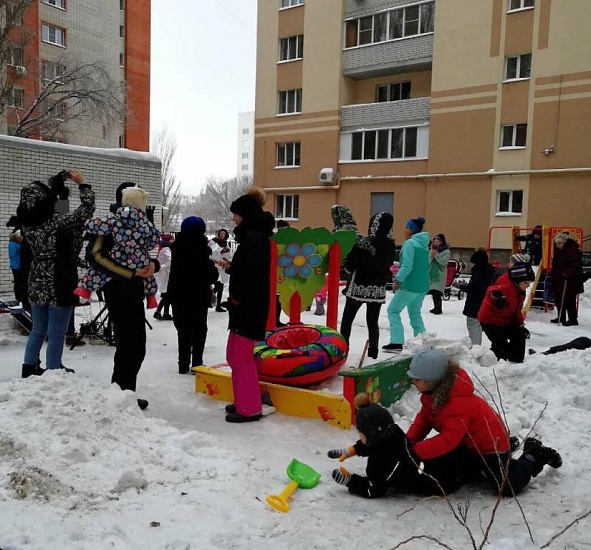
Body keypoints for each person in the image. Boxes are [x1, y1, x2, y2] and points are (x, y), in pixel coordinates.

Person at [405, 347, 562, 496]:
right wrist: (406, 442)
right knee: (459, 471)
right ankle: (498, 459)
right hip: (468, 445)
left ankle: (534, 454)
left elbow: (449, 439)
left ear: (432, 381)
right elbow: (423, 420)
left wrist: (414, 451)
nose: (413, 382)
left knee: (505, 486)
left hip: (491, 446)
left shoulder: (457, 403)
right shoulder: (432, 395)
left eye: (417, 380)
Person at [85, 182, 158, 410]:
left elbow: (145, 252)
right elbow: (94, 256)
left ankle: (125, 393)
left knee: (136, 345)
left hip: (134, 288)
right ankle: (121, 395)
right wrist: (130, 272)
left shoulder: (139, 224)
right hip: (116, 288)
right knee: (129, 345)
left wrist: (152, 265)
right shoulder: (109, 224)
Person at [16, 169, 95, 378]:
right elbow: (86, 209)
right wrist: (82, 185)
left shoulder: (27, 224)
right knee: (57, 332)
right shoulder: (57, 223)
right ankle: (53, 370)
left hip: (37, 278)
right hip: (59, 279)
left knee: (38, 329)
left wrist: (59, 189)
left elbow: (55, 212)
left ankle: (29, 367)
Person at [327, 393, 464, 498]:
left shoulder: (383, 464)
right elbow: (374, 444)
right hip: (436, 463)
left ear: (371, 435)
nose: (359, 434)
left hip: (439, 482)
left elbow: (374, 489)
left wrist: (350, 481)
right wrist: (350, 451)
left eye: (360, 432)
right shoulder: (392, 432)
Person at [222, 187, 275, 423]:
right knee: (233, 356)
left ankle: (251, 408)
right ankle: (243, 400)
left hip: (248, 308)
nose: (233, 218)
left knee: (241, 358)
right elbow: (249, 270)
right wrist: (233, 268)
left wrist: (238, 299)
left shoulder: (254, 238)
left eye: (235, 214)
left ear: (245, 214)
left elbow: (254, 277)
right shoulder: (251, 237)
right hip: (242, 306)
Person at [75, 186, 161, 309]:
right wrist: (148, 261)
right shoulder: (146, 222)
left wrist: (86, 224)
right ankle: (151, 297)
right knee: (148, 277)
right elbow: (154, 239)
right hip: (137, 266)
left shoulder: (113, 220)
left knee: (95, 273)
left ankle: (86, 290)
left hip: (118, 266)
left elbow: (93, 227)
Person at [339, 212, 397, 360]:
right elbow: (388, 265)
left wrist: (345, 267)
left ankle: (343, 348)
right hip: (377, 288)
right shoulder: (391, 245)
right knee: (372, 321)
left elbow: (350, 265)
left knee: (347, 319)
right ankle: (373, 351)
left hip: (359, 286)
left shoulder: (363, 243)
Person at [167, 217, 218, 374]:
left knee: (183, 329)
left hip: (178, 294)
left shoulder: (176, 248)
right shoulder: (203, 250)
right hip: (199, 295)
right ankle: (197, 363)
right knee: (199, 328)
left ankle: (183, 364)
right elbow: (211, 275)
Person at [382, 216, 429, 353]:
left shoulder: (410, 244)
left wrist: (398, 280)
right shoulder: (424, 245)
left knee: (393, 310)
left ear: (413, 230)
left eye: (407, 227)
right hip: (422, 285)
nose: (405, 230)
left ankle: (396, 341)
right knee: (415, 313)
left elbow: (407, 265)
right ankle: (422, 340)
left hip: (409, 285)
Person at [477, 262, 535, 363]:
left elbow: (516, 310)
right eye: (526, 282)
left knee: (519, 335)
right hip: (490, 321)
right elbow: (492, 290)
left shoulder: (519, 290)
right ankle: (489, 362)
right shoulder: (505, 286)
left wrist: (520, 325)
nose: (528, 285)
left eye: (529, 283)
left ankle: (516, 362)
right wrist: (495, 296)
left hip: (504, 320)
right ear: (517, 280)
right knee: (501, 346)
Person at [461, 246, 496, 346]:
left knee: (473, 324)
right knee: (478, 325)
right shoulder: (488, 271)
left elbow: (475, 289)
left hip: (475, 305)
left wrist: (464, 287)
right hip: (483, 303)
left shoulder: (479, 272)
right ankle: (477, 347)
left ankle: (475, 349)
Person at [550, 232, 583, 326]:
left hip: (570, 280)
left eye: (559, 243)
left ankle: (573, 319)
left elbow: (576, 265)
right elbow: (557, 263)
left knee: (569, 300)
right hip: (559, 278)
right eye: (556, 243)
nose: (557, 245)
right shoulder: (559, 250)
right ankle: (561, 317)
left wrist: (567, 273)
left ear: (565, 242)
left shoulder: (572, 250)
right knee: (559, 299)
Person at [209, 228, 233, 313]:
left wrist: (227, 259)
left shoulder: (226, 243)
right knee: (217, 284)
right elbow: (211, 253)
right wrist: (220, 253)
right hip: (215, 266)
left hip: (223, 267)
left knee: (221, 286)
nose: (222, 235)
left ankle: (218, 305)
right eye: (221, 233)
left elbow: (229, 255)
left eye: (223, 233)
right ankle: (211, 295)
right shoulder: (214, 242)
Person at [427, 233, 451, 315]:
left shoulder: (446, 251)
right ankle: (435, 307)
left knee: (437, 292)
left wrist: (436, 255)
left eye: (438, 241)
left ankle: (438, 308)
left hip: (439, 274)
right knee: (433, 292)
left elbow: (443, 262)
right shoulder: (432, 250)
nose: (435, 243)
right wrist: (431, 255)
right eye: (434, 241)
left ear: (442, 242)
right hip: (431, 273)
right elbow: (428, 260)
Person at [154, 233, 174, 321]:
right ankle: (158, 312)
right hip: (166, 275)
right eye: (172, 239)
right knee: (167, 295)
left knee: (168, 295)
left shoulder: (166, 249)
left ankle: (166, 313)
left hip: (167, 275)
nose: (173, 240)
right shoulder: (166, 249)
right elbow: (170, 260)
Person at [8, 226, 23, 304]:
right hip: (16, 266)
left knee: (19, 282)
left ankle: (20, 297)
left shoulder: (15, 243)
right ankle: (18, 297)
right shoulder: (14, 244)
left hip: (18, 265)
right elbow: (13, 255)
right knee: (18, 282)